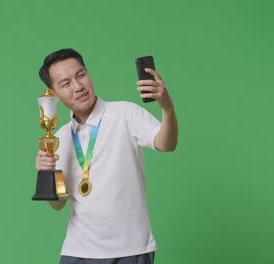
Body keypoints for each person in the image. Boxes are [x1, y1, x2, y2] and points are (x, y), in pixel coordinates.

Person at [35, 48, 178, 264]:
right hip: (78, 252)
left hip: (131, 249)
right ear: (54, 93)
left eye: (81, 75)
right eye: (66, 84)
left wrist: (167, 107)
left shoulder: (124, 114)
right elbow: (58, 204)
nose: (78, 86)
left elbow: (166, 144)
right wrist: (46, 173)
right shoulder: (59, 138)